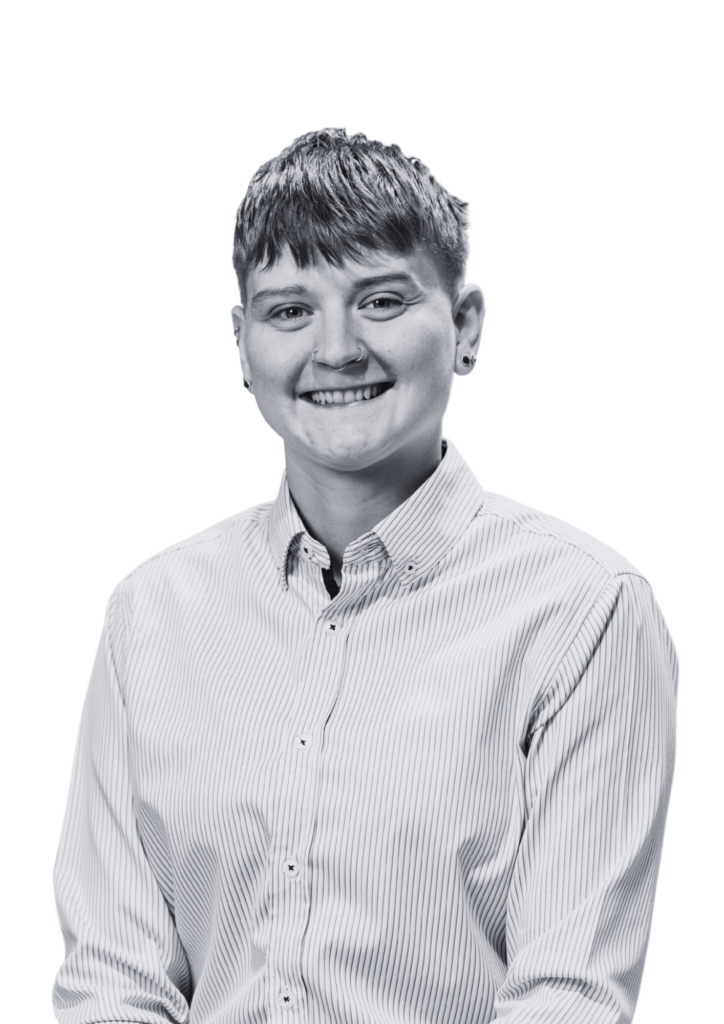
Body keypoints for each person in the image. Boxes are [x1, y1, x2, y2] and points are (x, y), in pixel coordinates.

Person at [50, 126, 680, 1023]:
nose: (337, 348)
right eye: (289, 311)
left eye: (381, 300)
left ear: (467, 326)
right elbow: (114, 982)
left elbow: (568, 1000)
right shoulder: (150, 611)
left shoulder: (585, 610)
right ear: (241, 345)